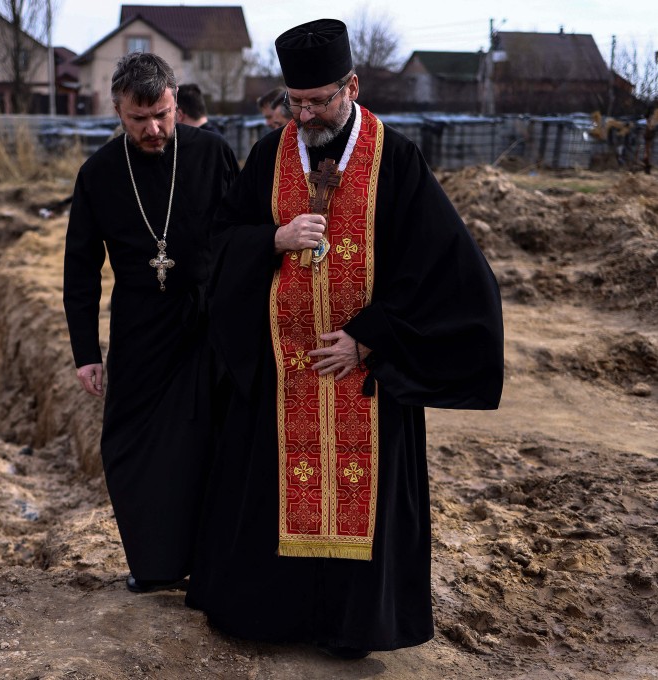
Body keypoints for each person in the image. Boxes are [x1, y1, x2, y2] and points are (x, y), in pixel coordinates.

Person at [186, 19, 504, 658]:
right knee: (271, 495)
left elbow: (442, 274)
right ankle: (271, 617)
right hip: (282, 376)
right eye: (294, 102)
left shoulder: (397, 159)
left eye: (318, 101)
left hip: (363, 381)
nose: (303, 115)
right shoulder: (268, 156)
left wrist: (367, 339)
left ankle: (350, 627)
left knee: (364, 501)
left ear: (351, 86)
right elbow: (216, 248)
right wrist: (270, 240)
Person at [63, 53, 240, 593]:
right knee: (128, 446)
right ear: (116, 109)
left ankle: (213, 564)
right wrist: (85, 351)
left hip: (209, 321)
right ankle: (156, 564)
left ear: (175, 98)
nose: (155, 129)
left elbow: (247, 239)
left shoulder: (211, 154)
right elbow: (80, 267)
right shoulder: (98, 174)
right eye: (139, 119)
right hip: (140, 327)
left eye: (162, 114)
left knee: (209, 446)